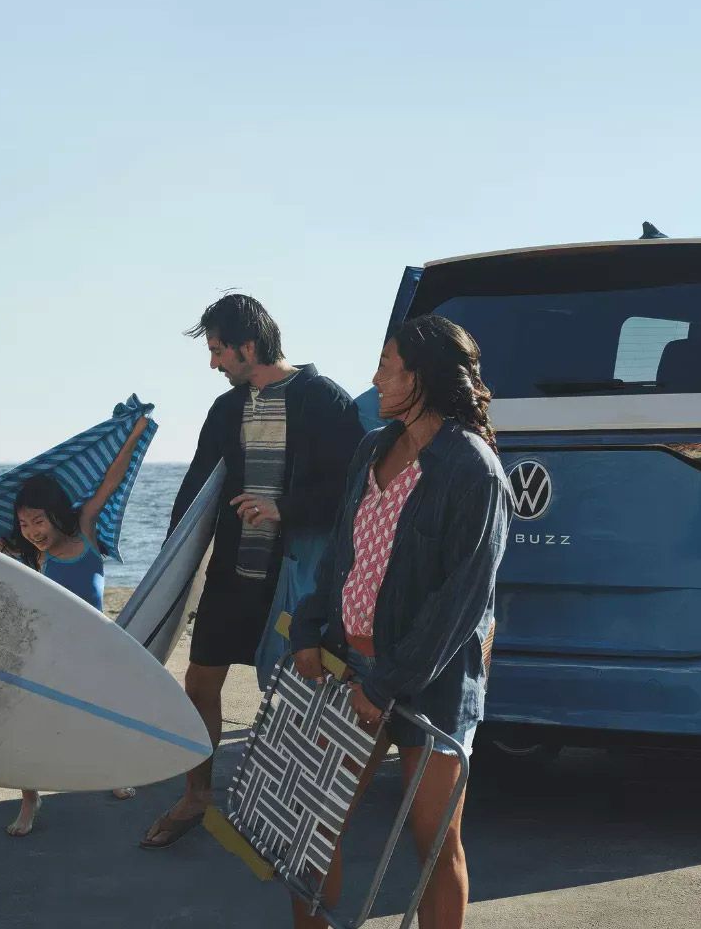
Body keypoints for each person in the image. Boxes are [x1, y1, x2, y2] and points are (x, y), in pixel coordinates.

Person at [289, 314, 511, 929]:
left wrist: (386, 683)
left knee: (434, 846)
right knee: (310, 829)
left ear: (425, 377)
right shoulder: (372, 447)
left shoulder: (474, 471)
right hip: (347, 665)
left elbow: (459, 605)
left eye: (389, 365)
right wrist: (308, 628)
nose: (375, 377)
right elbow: (341, 555)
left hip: (430, 685)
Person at [139, 294, 365, 849]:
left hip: (293, 580)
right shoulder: (227, 409)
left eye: (218, 350)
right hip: (233, 575)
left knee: (289, 698)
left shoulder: (323, 399)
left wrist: (285, 508)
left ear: (249, 346)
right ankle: (197, 795)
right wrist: (170, 573)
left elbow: (355, 491)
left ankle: (291, 812)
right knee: (200, 683)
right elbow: (196, 490)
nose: (213, 363)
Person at [0, 415, 152, 834]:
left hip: (97, 645)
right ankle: (30, 800)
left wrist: (134, 433)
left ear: (55, 515)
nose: (32, 531)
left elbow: (111, 480)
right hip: (49, 649)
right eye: (24, 523)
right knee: (28, 725)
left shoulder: (85, 531)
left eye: (38, 521)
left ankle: (116, 774)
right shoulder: (32, 555)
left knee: (106, 716)